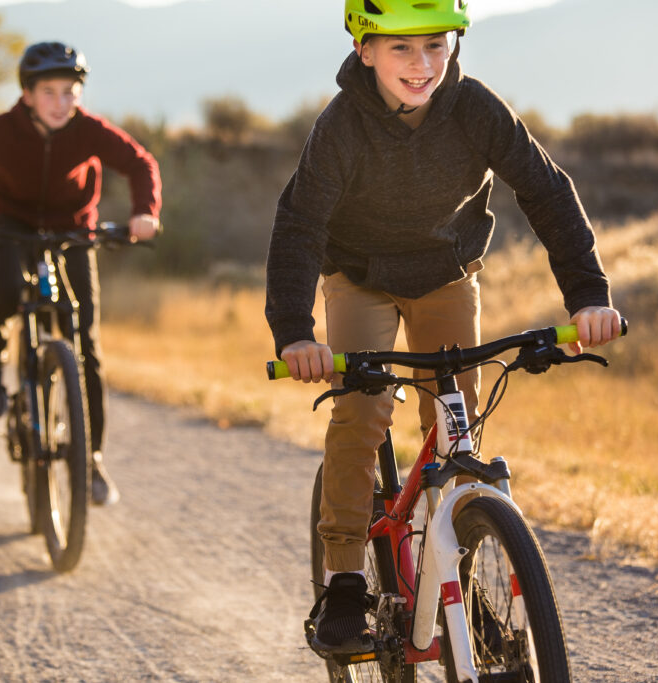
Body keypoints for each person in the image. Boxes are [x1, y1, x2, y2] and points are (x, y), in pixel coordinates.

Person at [264, 0, 622, 655]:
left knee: (457, 421)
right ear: (365, 50)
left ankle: (456, 561)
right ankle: (344, 579)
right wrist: (295, 332)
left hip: (447, 273)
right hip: (359, 275)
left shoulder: (477, 109)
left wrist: (588, 295)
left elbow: (545, 190)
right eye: (401, 48)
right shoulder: (342, 125)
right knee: (362, 406)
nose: (423, 64)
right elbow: (299, 225)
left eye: (436, 45)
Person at [0, 41, 162, 506]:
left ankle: (90, 460)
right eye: (49, 92)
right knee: (6, 292)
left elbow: (140, 164)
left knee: (84, 344)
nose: (61, 102)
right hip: (14, 223)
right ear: (27, 94)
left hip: (73, 228)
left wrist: (144, 212)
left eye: (70, 92)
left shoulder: (87, 130)